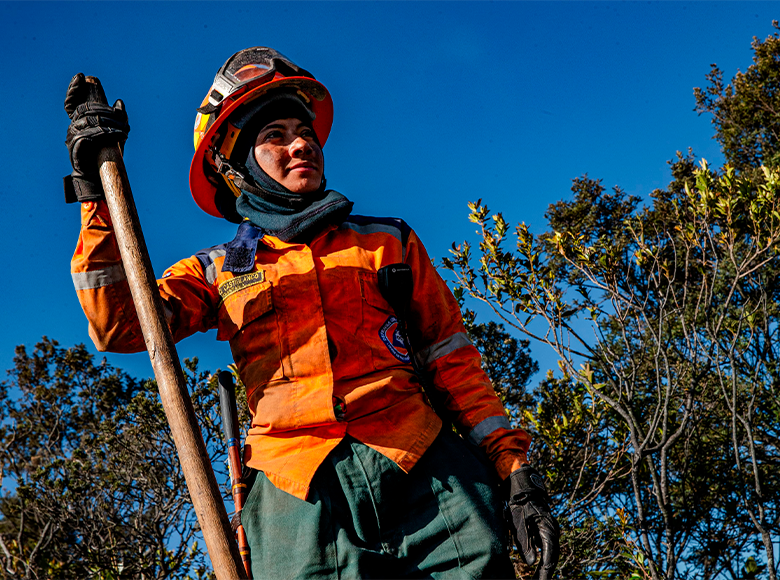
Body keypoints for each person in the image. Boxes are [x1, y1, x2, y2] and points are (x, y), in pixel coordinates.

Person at [64, 47, 559, 579]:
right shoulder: (217, 270)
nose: (301, 143)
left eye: (305, 131)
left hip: (427, 476)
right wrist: (95, 191)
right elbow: (120, 326)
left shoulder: (387, 241)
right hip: (295, 500)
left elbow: (452, 360)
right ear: (234, 167)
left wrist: (515, 473)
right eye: (274, 135)